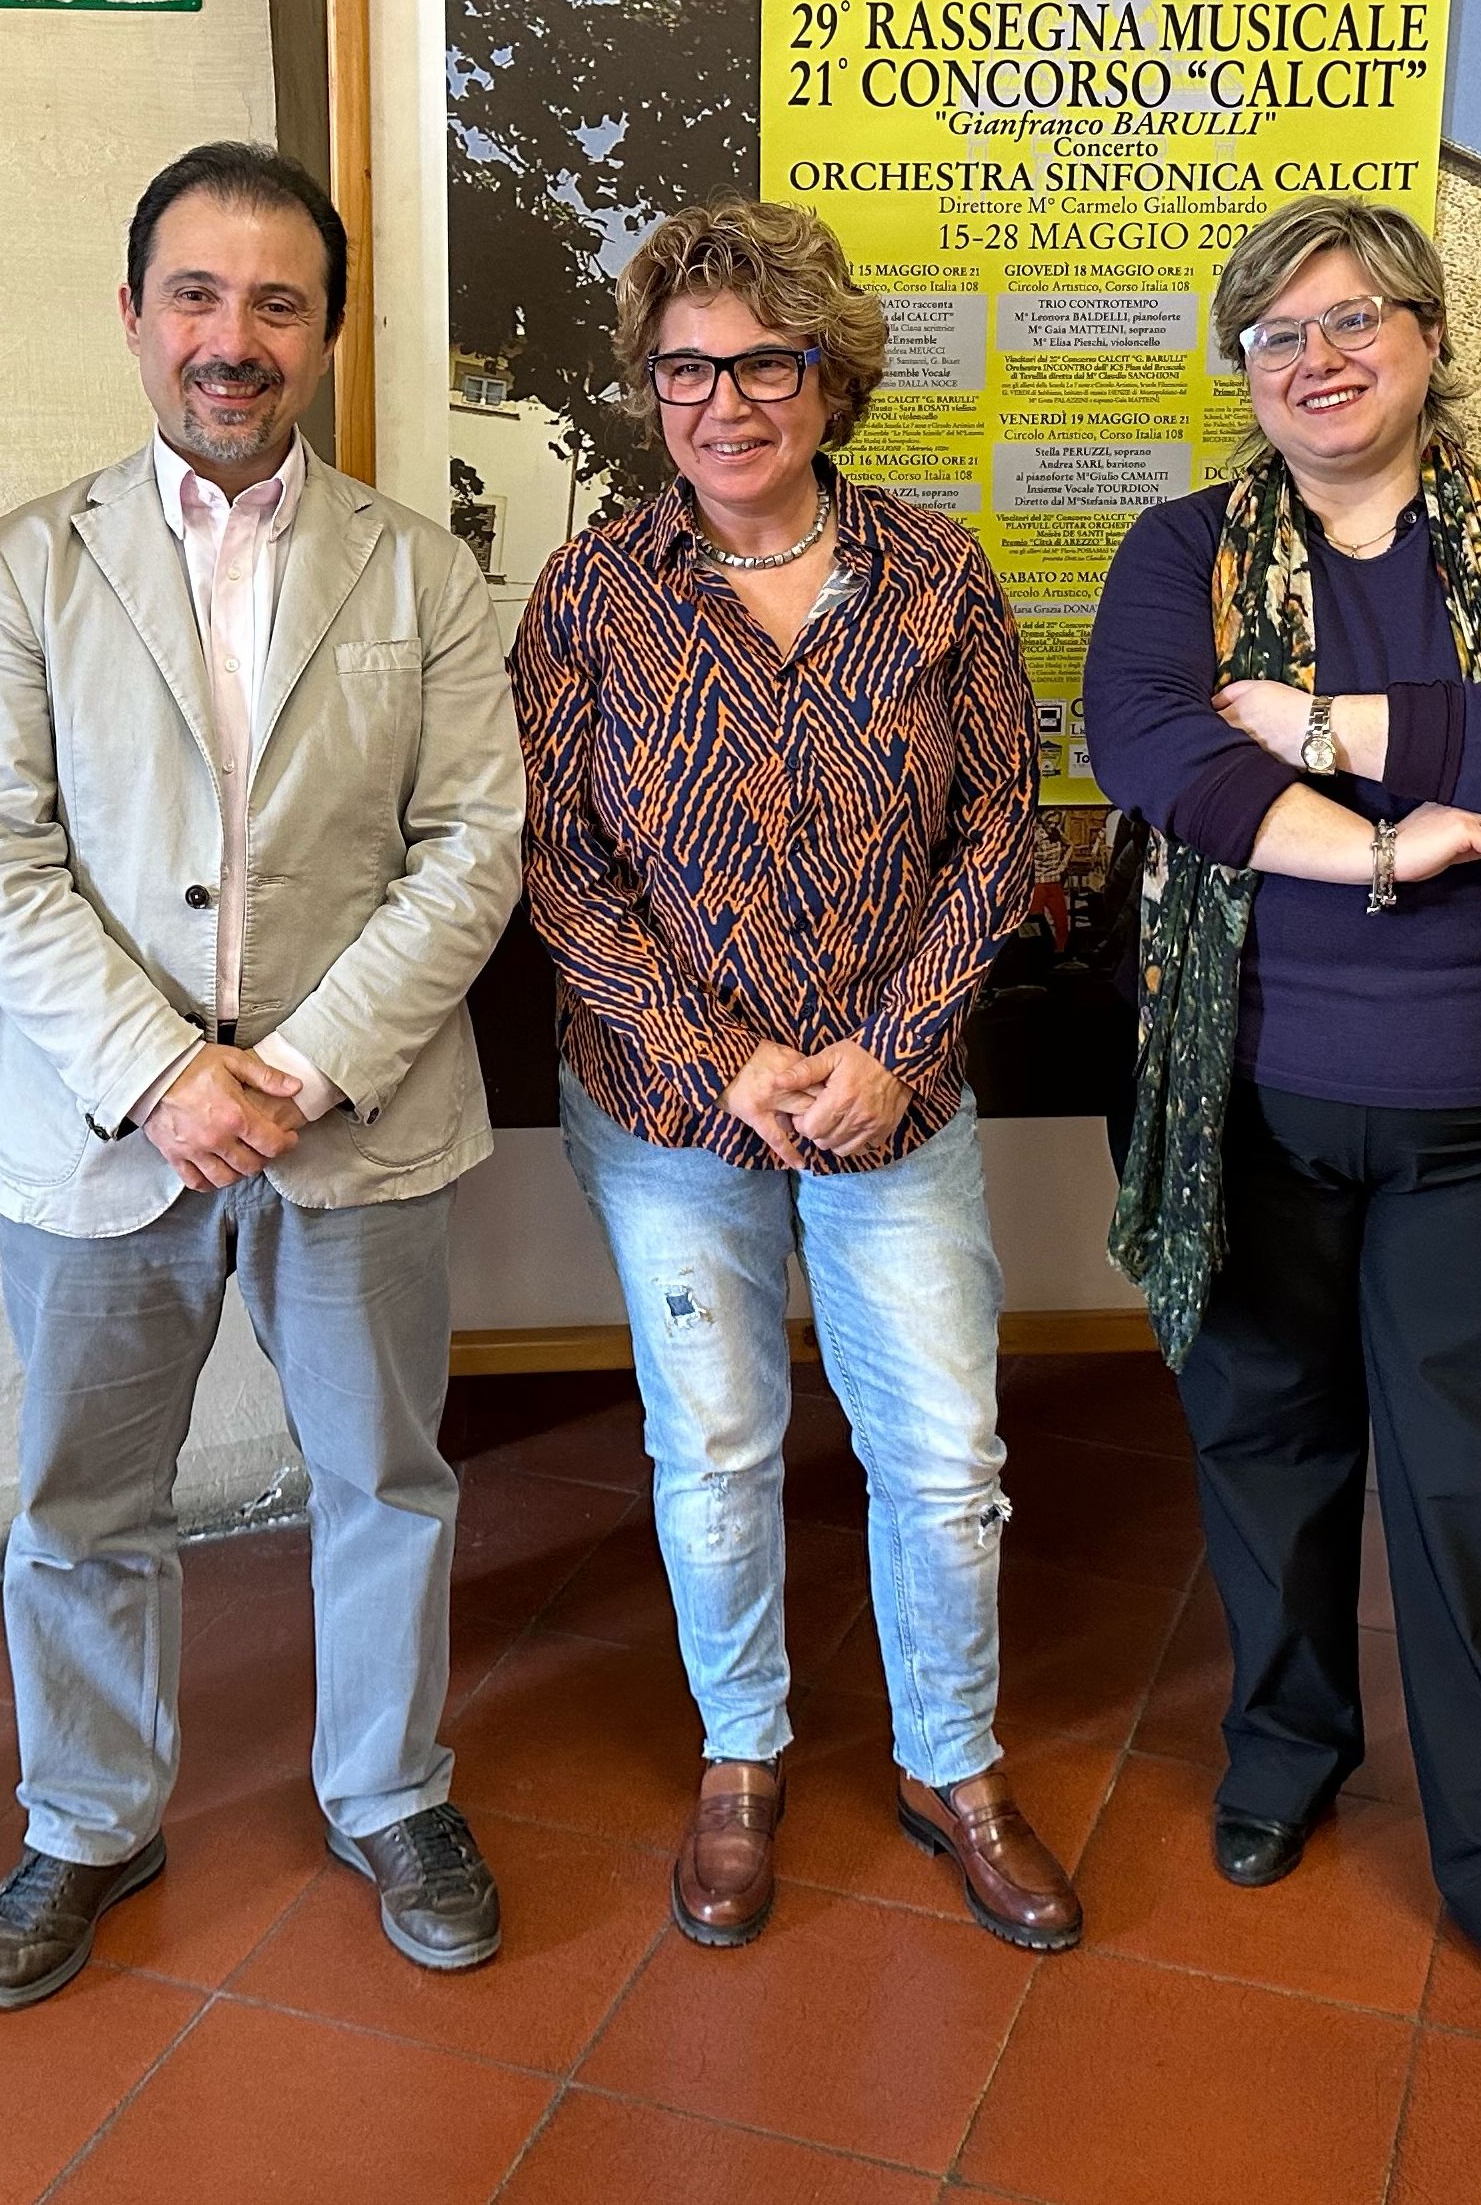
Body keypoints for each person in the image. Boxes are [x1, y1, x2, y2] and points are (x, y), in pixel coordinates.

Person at [0, 142, 523, 2007]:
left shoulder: (424, 573)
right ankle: (89, 1815)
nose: (232, 336)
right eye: (195, 294)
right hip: (99, 1131)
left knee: (384, 1478)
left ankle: (390, 1789)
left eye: (277, 302)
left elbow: (473, 846)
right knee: (86, 1501)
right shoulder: (24, 567)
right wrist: (163, 1075)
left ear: (326, 332)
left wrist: (306, 1068)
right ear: (132, 315)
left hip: (356, 1124)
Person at [1084, 198, 1481, 2026]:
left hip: (1476, 1111)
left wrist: (1318, 725)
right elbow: (1151, 745)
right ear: (1242, 369)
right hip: (1242, 1098)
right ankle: (1285, 1747)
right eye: (1275, 334)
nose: (1314, 360)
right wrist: (1394, 838)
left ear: (1427, 336)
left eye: (1352, 321)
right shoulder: (1181, 551)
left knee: (1471, 1484)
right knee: (1264, 1447)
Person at [514, 197, 1081, 1956]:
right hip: (669, 1108)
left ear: (831, 378)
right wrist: (725, 1058)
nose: (724, 402)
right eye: (685, 369)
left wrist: (893, 1051)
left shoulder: (938, 575)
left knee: (943, 1455)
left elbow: (1000, 831)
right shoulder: (588, 592)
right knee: (713, 1446)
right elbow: (557, 869)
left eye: (765, 362)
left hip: (887, 1106)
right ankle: (741, 1750)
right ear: (649, 388)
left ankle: (951, 1762)